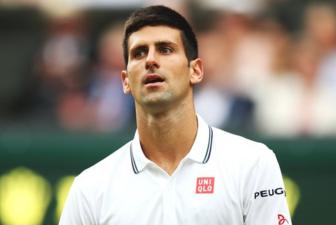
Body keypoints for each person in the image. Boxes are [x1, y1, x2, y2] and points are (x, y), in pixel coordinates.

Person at [59, 5, 292, 225]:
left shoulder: (253, 164)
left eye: (165, 49)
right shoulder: (89, 188)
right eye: (139, 53)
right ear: (126, 81)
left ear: (196, 70)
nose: (151, 60)